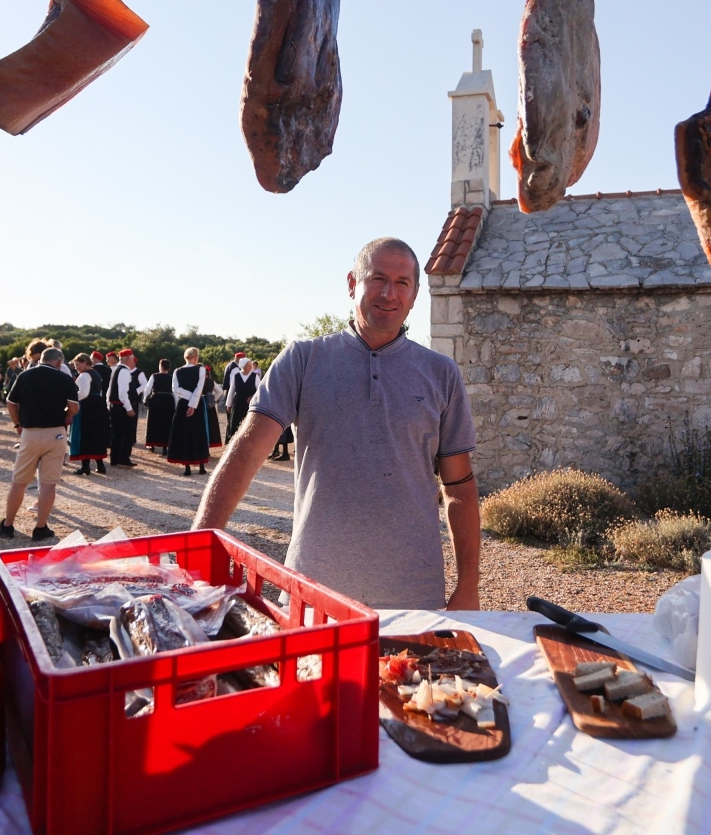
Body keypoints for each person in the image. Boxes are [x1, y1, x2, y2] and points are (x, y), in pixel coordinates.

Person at [192, 238, 481, 610]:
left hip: (414, 598)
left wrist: (468, 585)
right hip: (312, 594)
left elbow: (458, 486)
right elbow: (247, 451)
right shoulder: (302, 360)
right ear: (351, 284)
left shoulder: (441, 374)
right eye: (377, 278)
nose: (389, 293)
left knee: (405, 672)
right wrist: (199, 543)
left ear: (414, 294)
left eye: (402, 282)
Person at [0, 347, 80, 541]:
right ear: (59, 362)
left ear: (40, 359)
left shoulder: (25, 376)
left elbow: (11, 402)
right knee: (48, 483)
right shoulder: (64, 378)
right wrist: (66, 414)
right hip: (55, 433)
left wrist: (18, 424)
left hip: (30, 432)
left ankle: (8, 525)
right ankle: (40, 527)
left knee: (19, 481)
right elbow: (74, 407)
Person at [167, 348, 213, 476]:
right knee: (198, 432)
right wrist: (192, 402)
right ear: (196, 357)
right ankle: (201, 465)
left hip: (183, 404)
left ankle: (187, 467)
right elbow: (199, 389)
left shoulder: (177, 371)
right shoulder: (200, 370)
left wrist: (188, 399)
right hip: (196, 403)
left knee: (185, 432)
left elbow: (176, 389)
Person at [69, 354, 109, 475]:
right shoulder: (95, 374)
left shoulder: (85, 375)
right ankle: (100, 465)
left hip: (87, 407)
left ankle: (85, 466)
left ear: (85, 362)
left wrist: (71, 398)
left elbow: (84, 393)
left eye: (78, 365)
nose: (76, 368)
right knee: (95, 434)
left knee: (84, 435)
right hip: (97, 405)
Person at [108, 348, 143, 466]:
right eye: (132, 358)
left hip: (115, 406)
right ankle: (123, 458)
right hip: (122, 408)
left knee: (117, 433)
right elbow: (123, 393)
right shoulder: (124, 371)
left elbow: (110, 390)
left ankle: (115, 458)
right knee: (126, 433)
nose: (133, 361)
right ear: (128, 359)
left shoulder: (115, 369)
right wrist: (129, 408)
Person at [143, 359, 175, 453]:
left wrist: (145, 399)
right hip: (168, 400)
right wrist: (176, 404)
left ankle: (152, 444)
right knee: (167, 423)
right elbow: (175, 392)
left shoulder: (154, 376)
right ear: (169, 368)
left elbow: (147, 389)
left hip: (156, 399)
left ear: (160, 366)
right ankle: (165, 446)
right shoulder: (171, 377)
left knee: (154, 422)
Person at [225, 356, 259, 441]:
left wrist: (252, 397)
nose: (251, 366)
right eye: (248, 365)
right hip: (238, 403)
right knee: (235, 423)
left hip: (250, 404)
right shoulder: (236, 376)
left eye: (250, 364)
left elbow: (259, 390)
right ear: (243, 366)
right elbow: (231, 391)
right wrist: (228, 405)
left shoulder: (255, 376)